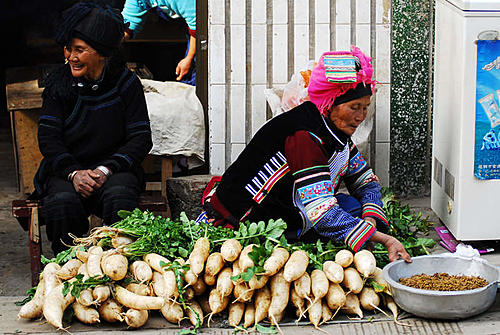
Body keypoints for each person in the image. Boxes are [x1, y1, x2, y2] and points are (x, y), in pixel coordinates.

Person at [198, 46, 411, 263]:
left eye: (365, 107)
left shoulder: (334, 131)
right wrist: (385, 240)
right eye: (354, 107)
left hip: (293, 207)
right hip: (250, 222)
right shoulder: (304, 136)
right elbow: (323, 215)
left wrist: (370, 219)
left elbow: (365, 181)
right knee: (340, 220)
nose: (360, 116)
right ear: (329, 104)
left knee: (354, 210)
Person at [34, 2, 153, 255]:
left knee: (120, 198)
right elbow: (49, 138)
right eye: (69, 49)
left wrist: (104, 169)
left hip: (113, 170)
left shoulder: (126, 84)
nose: (71, 57)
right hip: (68, 172)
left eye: (80, 50)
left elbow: (141, 137)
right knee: (62, 203)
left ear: (101, 53)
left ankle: (118, 266)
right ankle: (69, 267)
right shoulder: (58, 85)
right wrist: (75, 173)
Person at [121, 0, 196, 85]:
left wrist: (189, 58)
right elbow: (128, 24)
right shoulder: (138, 1)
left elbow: (198, 26)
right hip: (190, 23)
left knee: (196, 73)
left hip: (202, 27)